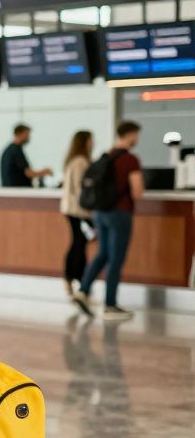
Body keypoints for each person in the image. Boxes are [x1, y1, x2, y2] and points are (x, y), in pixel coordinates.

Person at [73, 121, 144, 321]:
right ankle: (110, 305)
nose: (137, 139)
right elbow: (137, 191)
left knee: (102, 253)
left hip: (100, 212)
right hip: (120, 214)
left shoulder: (107, 155)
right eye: (136, 135)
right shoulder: (130, 159)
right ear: (130, 135)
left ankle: (83, 290)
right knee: (116, 259)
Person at [59, 130, 93, 296]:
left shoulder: (73, 160)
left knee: (79, 243)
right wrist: (90, 207)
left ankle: (75, 278)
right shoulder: (80, 161)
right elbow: (81, 188)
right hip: (78, 210)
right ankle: (76, 278)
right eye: (91, 140)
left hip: (72, 209)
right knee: (79, 244)